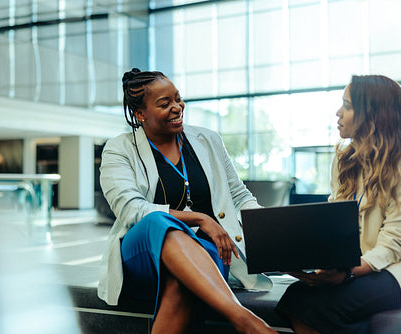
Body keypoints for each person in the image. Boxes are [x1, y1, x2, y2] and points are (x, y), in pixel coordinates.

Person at [97, 68, 275, 334]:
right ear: (140, 114)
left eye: (178, 99)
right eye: (164, 103)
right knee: (159, 221)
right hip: (143, 255)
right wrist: (200, 217)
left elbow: (239, 196)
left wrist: (277, 233)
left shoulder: (208, 140)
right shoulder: (119, 149)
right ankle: (244, 319)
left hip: (208, 250)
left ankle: (247, 323)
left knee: (183, 282)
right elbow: (132, 210)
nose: (177, 107)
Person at [276, 74, 401, 334]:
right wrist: (315, 261)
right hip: (357, 265)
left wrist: (346, 274)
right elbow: (335, 224)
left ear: (372, 115)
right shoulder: (345, 162)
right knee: (298, 294)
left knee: (322, 304)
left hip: (400, 272)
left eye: (346, 106)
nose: (338, 113)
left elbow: (394, 244)